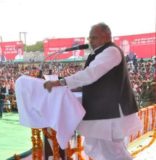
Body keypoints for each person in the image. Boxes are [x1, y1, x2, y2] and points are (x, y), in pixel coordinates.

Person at [43, 22, 142, 160]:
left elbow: (91, 74)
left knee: (114, 152)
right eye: (90, 38)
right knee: (105, 150)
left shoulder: (111, 51)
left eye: (94, 37)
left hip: (110, 112)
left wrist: (61, 82)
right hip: (103, 111)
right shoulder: (101, 52)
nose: (90, 41)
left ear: (106, 36)